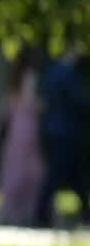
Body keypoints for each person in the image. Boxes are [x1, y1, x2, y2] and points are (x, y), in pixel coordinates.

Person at [0, 50, 45, 226]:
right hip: (29, 126)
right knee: (31, 170)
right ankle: (27, 211)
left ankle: (8, 210)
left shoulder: (12, 80)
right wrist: (44, 106)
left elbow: (3, 109)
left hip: (16, 128)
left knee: (13, 167)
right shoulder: (30, 76)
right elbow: (30, 101)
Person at [34, 53, 90, 228]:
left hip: (54, 130)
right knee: (59, 174)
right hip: (66, 132)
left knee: (74, 176)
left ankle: (85, 211)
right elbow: (78, 101)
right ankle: (41, 212)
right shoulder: (68, 74)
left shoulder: (52, 72)